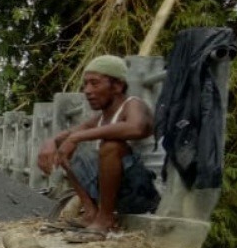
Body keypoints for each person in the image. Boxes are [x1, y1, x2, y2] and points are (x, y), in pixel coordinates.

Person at [37, 54, 158, 234]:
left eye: (95, 83)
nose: (87, 90)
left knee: (111, 146)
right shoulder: (102, 117)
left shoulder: (134, 105)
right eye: (85, 84)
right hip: (118, 194)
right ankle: (91, 213)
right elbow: (70, 134)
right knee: (66, 150)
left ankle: (105, 218)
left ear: (117, 86)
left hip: (144, 194)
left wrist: (76, 138)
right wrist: (51, 142)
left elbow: (137, 127)